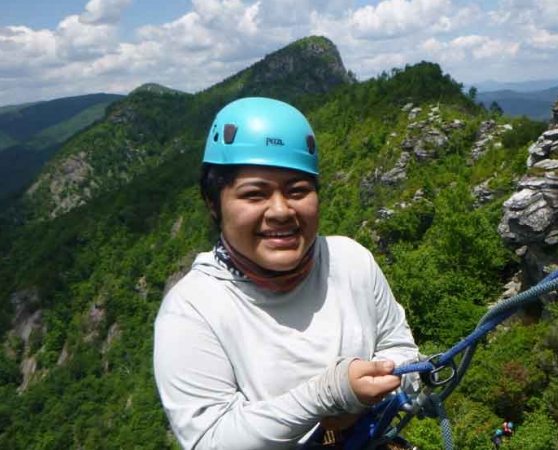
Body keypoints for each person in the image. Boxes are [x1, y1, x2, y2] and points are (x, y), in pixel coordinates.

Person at [153, 97, 420, 450]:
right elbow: (212, 440)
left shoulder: (350, 261)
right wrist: (327, 396)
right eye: (254, 194)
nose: (280, 211)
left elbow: (399, 349)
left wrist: (391, 385)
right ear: (212, 203)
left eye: (298, 191)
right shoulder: (192, 309)